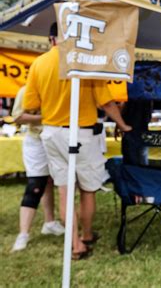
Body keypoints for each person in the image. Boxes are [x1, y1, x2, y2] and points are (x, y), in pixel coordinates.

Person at [23, 23, 132, 260]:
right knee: (88, 189)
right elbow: (106, 103)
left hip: (52, 133)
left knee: (64, 191)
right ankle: (86, 235)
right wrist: (123, 125)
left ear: (51, 39)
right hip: (83, 133)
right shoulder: (85, 61)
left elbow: (30, 105)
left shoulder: (39, 64)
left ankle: (75, 246)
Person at [11, 86, 64, 252]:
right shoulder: (26, 90)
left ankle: (49, 223)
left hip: (58, 138)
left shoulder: (61, 86)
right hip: (37, 140)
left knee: (48, 181)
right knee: (36, 184)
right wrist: (47, 117)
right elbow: (18, 116)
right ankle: (23, 234)